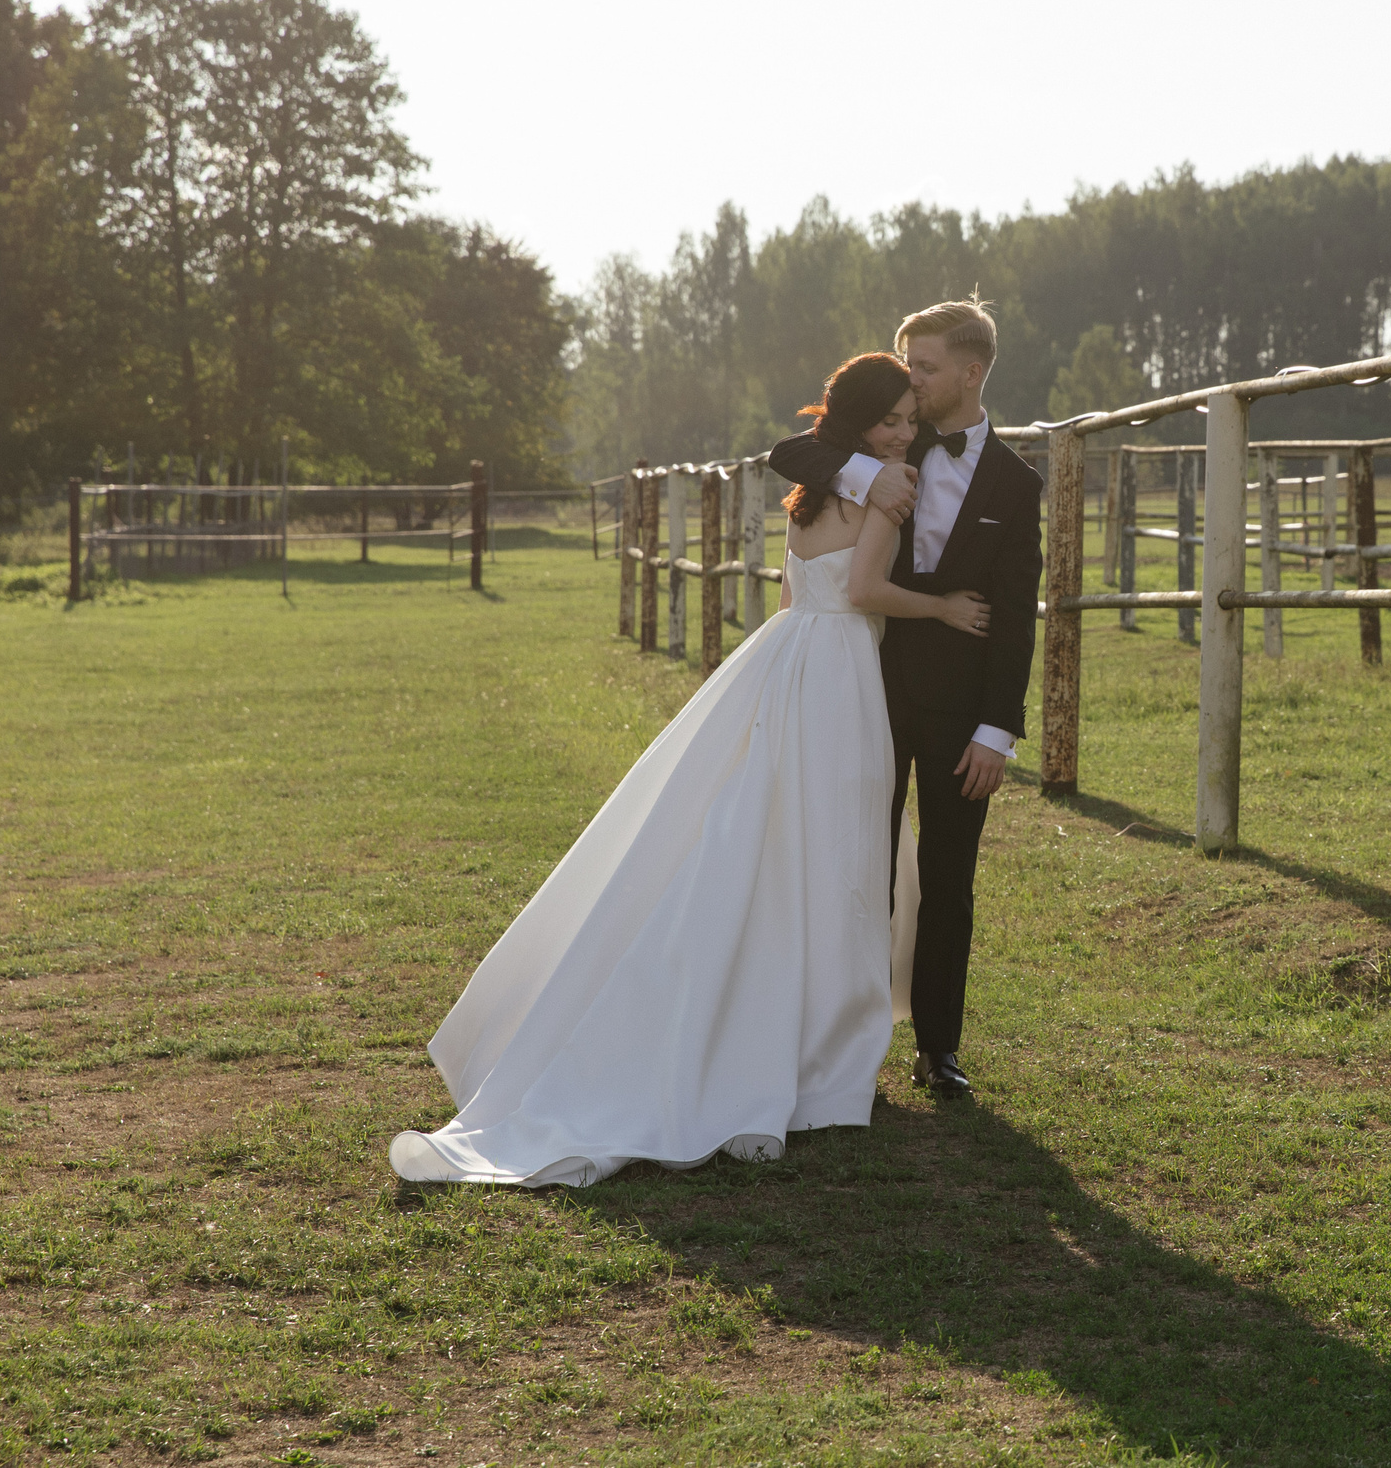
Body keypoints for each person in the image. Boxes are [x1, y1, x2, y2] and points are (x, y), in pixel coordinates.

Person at [388, 353, 989, 1187]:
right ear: (857, 425)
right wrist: (942, 607)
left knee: (779, 832)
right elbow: (862, 588)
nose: (902, 434)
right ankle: (824, 1058)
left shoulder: (815, 490)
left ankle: (801, 1030)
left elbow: (794, 592)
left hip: (788, 656)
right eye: (888, 420)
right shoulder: (884, 485)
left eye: (907, 421)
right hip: (843, 665)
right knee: (838, 846)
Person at [768, 296, 1042, 1098]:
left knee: (950, 878)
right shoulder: (888, 439)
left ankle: (938, 1046)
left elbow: (1017, 617)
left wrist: (999, 729)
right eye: (908, 368)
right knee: (860, 864)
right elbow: (791, 450)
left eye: (924, 368)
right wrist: (869, 471)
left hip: (964, 712)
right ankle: (846, 1038)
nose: (912, 382)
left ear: (971, 371)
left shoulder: (1015, 484)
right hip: (868, 691)